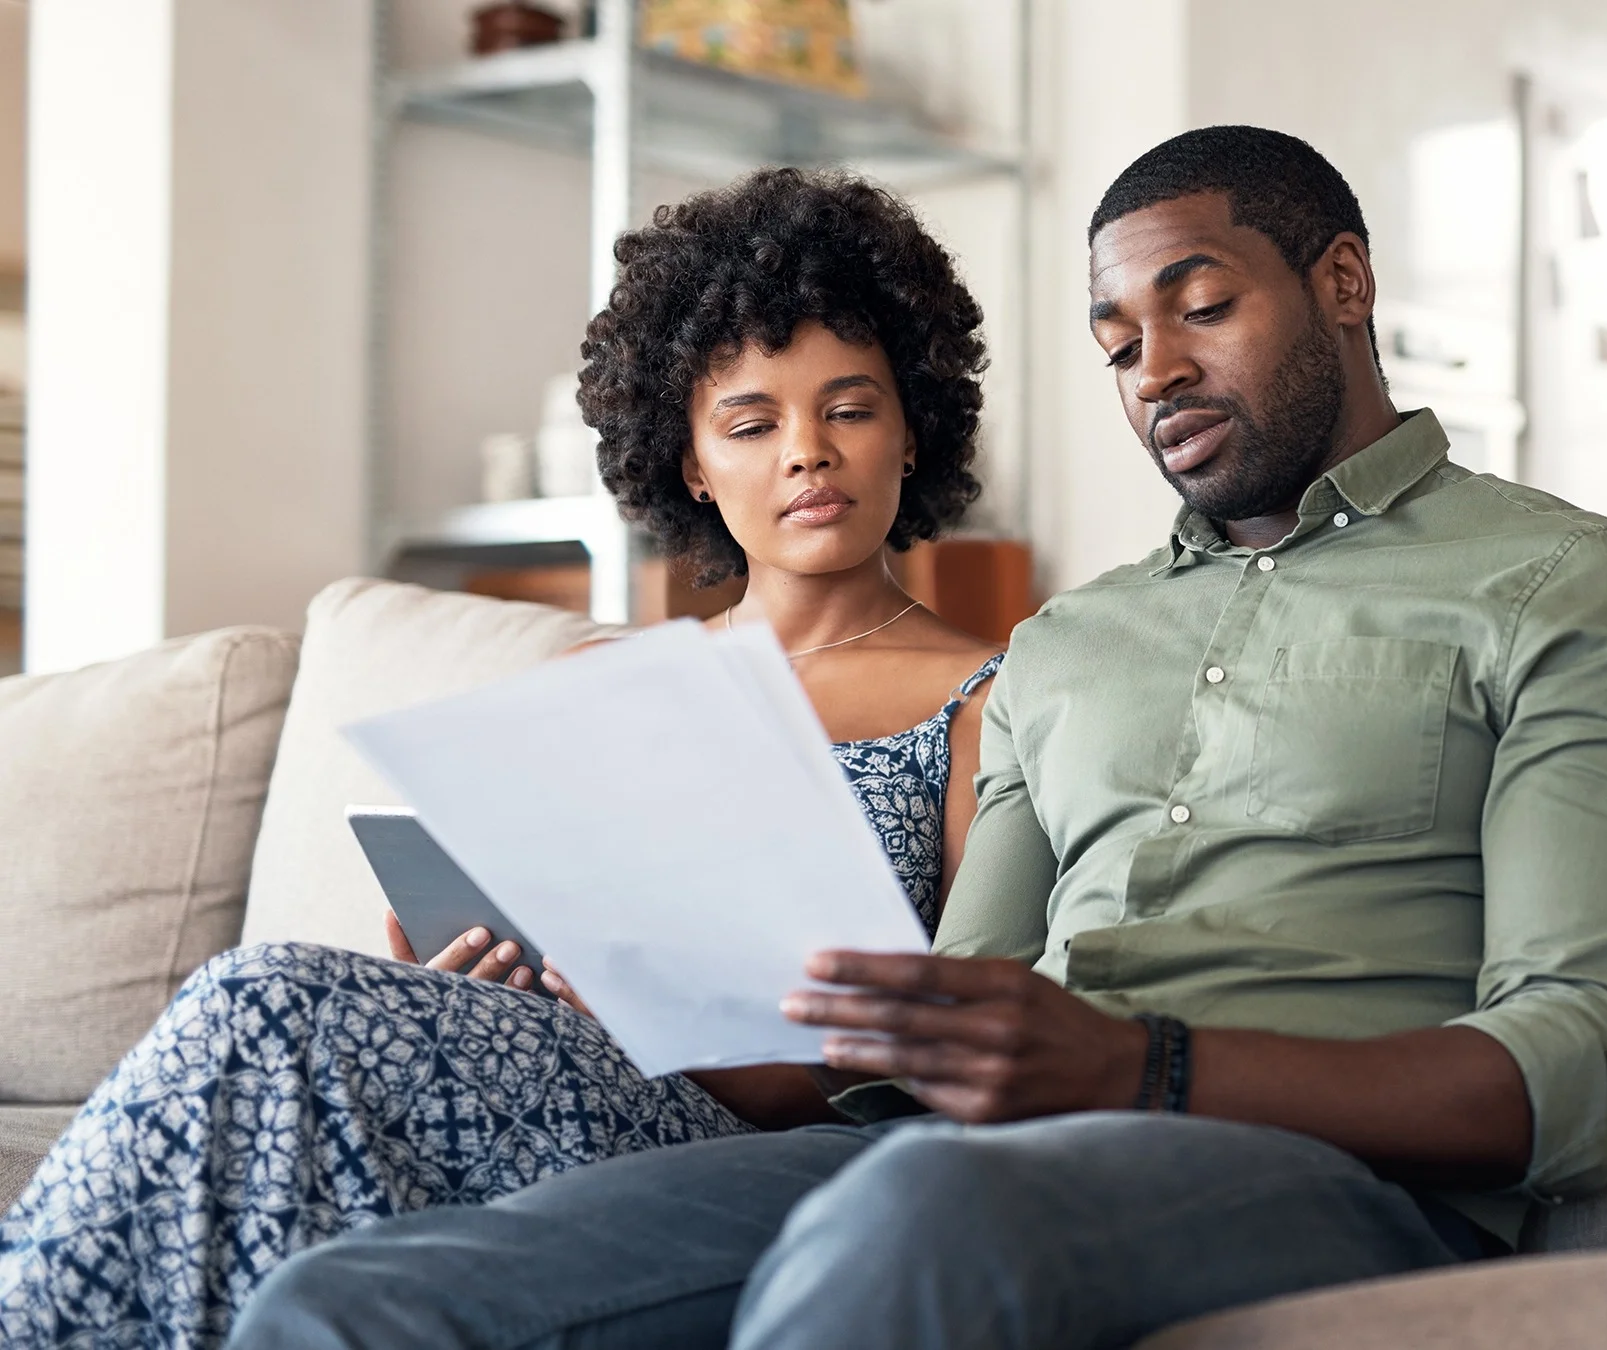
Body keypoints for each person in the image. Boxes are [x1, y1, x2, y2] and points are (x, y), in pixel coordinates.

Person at [218, 125, 1607, 1350]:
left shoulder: (1554, 586)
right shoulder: (1070, 645)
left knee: (915, 1218)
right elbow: (928, 1047)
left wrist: (1147, 1067)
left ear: (1342, 282)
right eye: (1120, 341)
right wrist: (632, 980)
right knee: (356, 1295)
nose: (1160, 373)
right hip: (956, 1159)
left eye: (1202, 307)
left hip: (1339, 1179)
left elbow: (1578, 1073)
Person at [0, 168, 1005, 1347]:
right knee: (280, 1078)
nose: (806, 453)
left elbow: (949, 1059)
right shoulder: (601, 688)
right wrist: (464, 978)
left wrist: (664, 1020)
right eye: (751, 423)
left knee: (265, 1002)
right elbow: (492, 947)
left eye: (850, 409)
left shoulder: (987, 697)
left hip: (756, 1149)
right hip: (551, 1079)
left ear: (910, 428)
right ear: (689, 463)